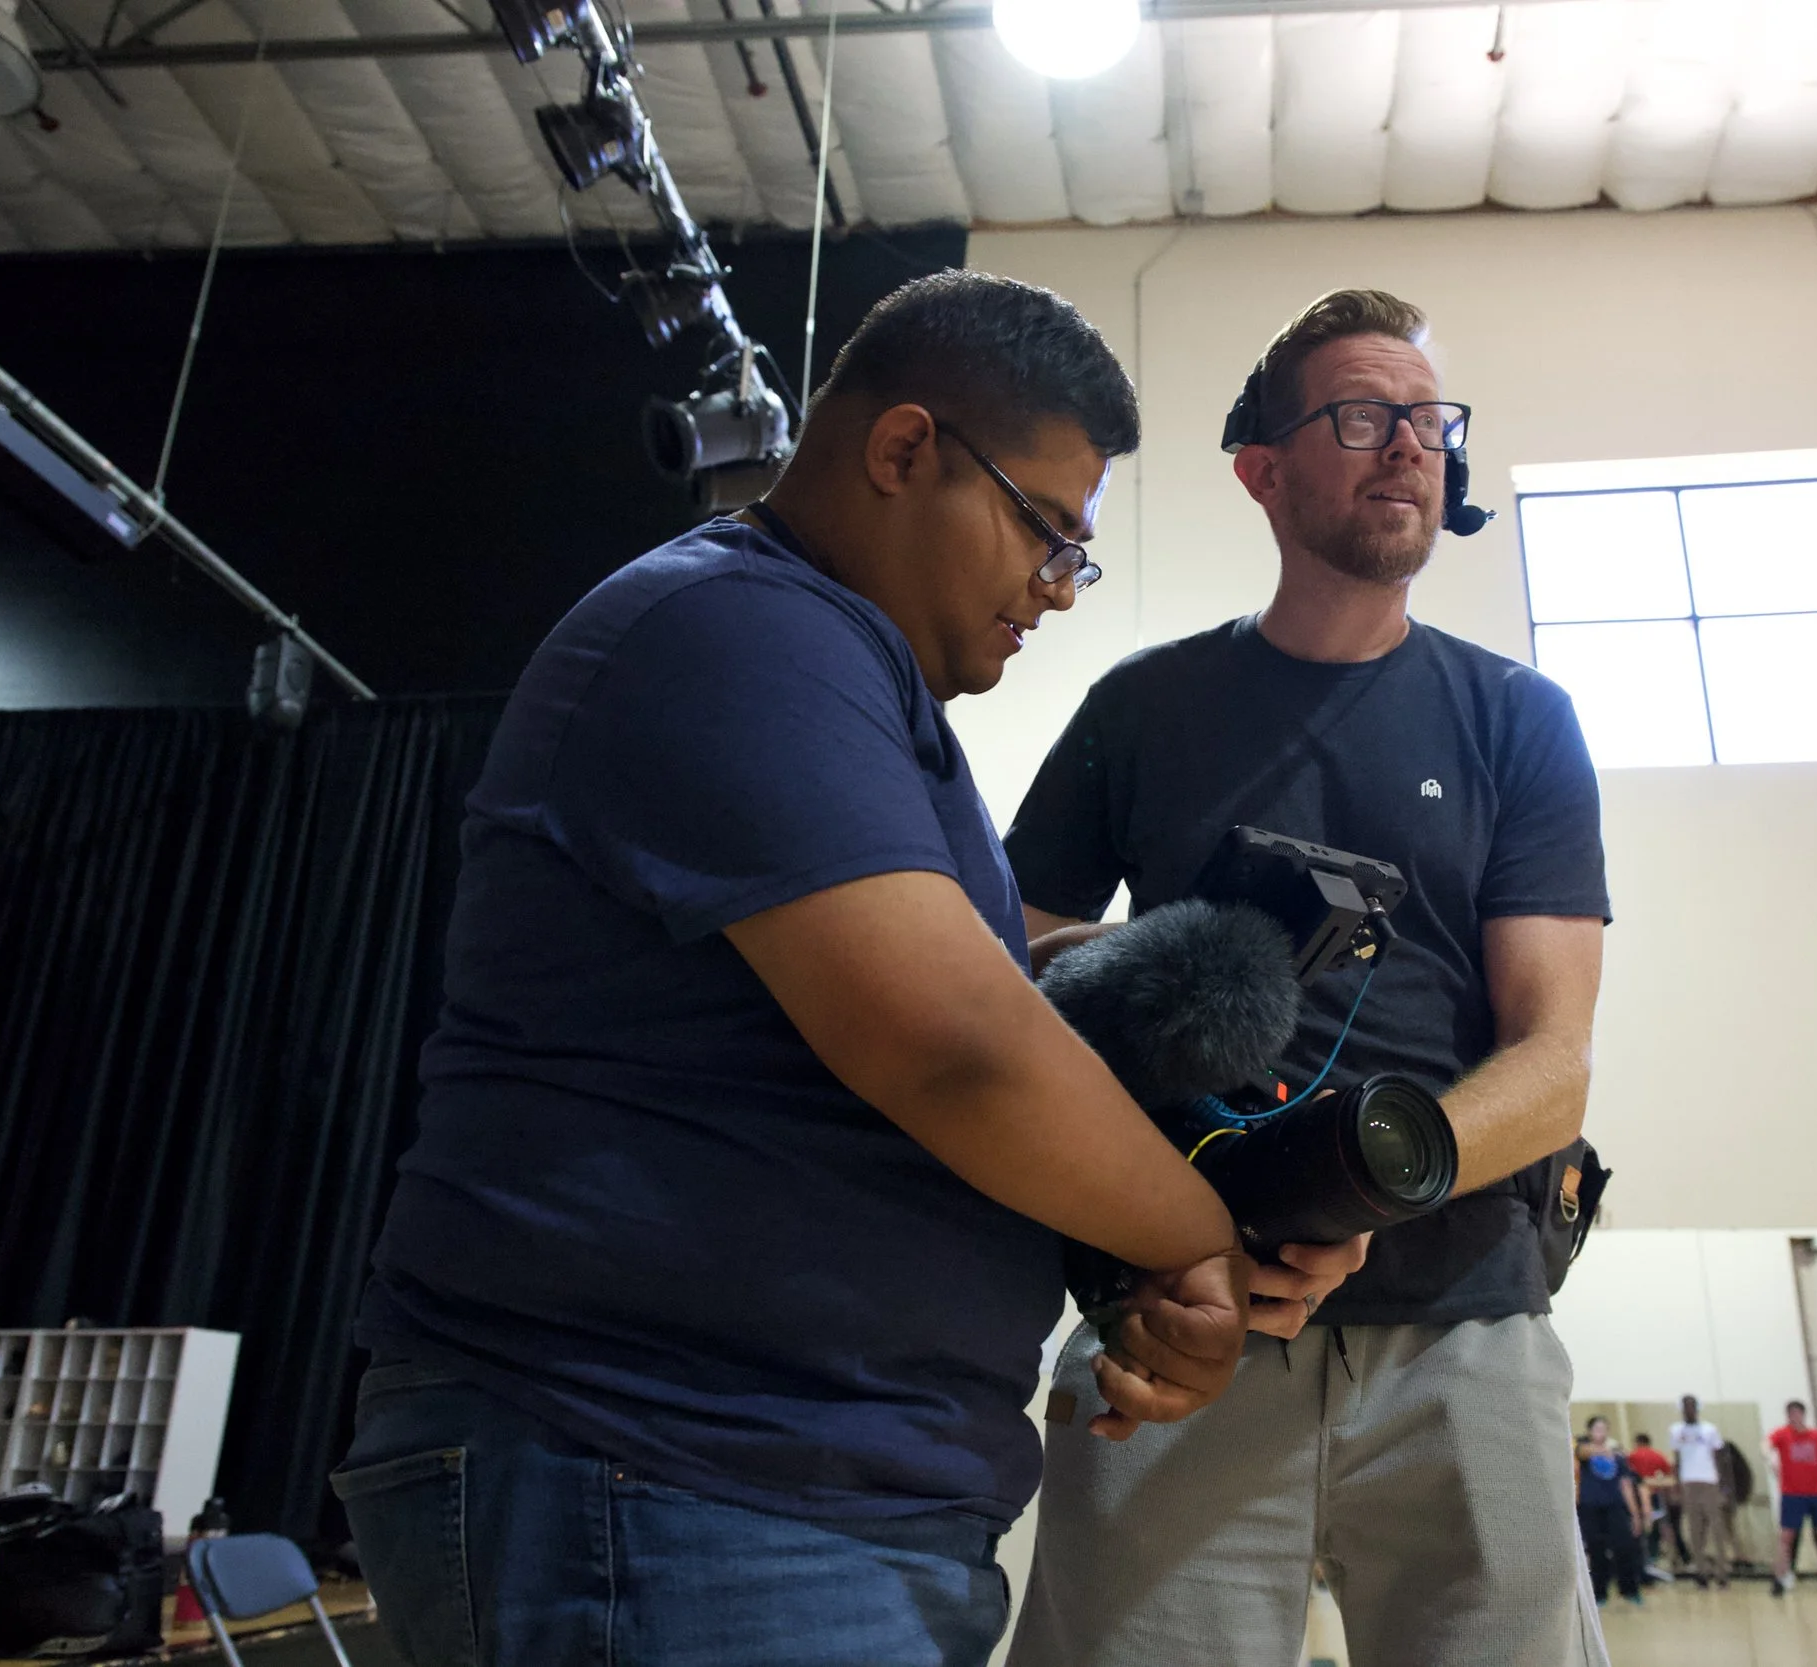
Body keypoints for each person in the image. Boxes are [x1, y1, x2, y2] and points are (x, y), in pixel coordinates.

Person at [329, 273, 1258, 1667]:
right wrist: (1200, 1235)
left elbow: (978, 1001)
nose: (1059, 590)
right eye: (1048, 531)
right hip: (660, 1476)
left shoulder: (851, 686)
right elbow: (958, 1045)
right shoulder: (741, 629)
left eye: (1081, 555)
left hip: (774, 1494)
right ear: (903, 451)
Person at [1003, 288, 1612, 1665]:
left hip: (1467, 1324)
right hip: (1177, 1306)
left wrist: (1355, 1181)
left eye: (1428, 419)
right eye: (1360, 414)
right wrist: (1153, 983)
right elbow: (1007, 991)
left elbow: (1556, 1059)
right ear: (1262, 470)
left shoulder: (1520, 720)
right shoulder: (1140, 710)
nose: (1408, 443)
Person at [1766, 1400, 1817, 1595]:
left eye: (1797, 1413)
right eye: (1791, 1414)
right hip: (1792, 1494)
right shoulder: (1782, 1434)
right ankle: (1779, 1577)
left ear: (1803, 1414)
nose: (1794, 1417)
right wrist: (1771, 1459)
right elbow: (1766, 1444)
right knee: (1786, 1537)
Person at [1576, 1417, 1646, 1607]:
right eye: (1597, 1428)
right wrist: (1605, 1450)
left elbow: (1626, 1485)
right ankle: (1599, 1594)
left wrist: (1635, 1514)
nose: (1600, 1432)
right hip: (1591, 1507)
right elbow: (1583, 1452)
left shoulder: (1618, 1457)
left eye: (1604, 1429)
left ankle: (1630, 1590)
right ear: (1590, 1431)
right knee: (1597, 1551)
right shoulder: (1583, 1448)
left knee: (1624, 1548)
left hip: (1615, 1507)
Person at [1669, 1395, 1733, 1587]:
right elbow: (1677, 1457)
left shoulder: (1709, 1429)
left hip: (1709, 1481)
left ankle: (1722, 1571)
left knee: (1717, 1527)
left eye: (1692, 1407)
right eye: (1685, 1407)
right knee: (1696, 1530)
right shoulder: (1675, 1430)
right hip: (1689, 1482)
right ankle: (1701, 1571)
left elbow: (1719, 1456)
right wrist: (1677, 1484)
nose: (1689, 1410)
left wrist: (1723, 1485)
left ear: (1697, 1408)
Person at [1625, 1432, 1679, 1569]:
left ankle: (1646, 1558)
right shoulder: (1658, 1455)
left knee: (1641, 1528)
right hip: (1655, 1494)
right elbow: (1669, 1475)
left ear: (1637, 1442)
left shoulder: (1633, 1455)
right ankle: (1657, 1556)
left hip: (1637, 1496)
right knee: (1657, 1527)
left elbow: (1626, 1475)